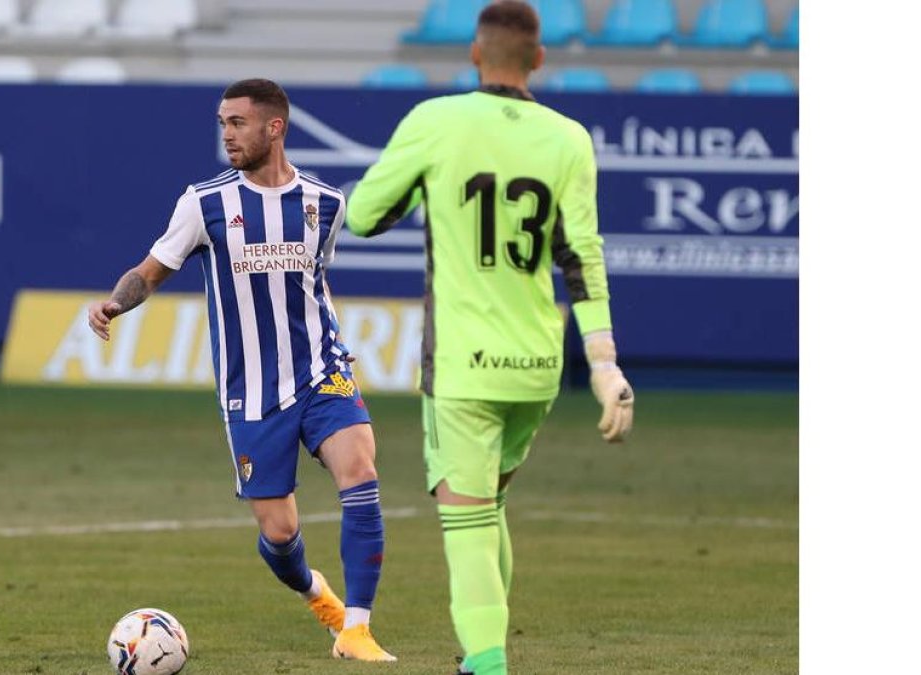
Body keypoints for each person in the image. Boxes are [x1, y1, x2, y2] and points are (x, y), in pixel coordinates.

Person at [345, 2, 634, 673]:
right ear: (538, 59)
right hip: (537, 364)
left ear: (474, 54)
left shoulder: (435, 122)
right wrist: (604, 363)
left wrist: (427, 186)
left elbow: (363, 216)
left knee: (467, 520)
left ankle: (488, 662)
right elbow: (581, 256)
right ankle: (483, 653)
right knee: (490, 502)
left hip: (463, 366)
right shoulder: (569, 138)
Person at [88, 78, 396, 662]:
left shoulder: (326, 203)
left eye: (237, 123)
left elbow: (314, 282)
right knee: (280, 535)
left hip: (323, 371)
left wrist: (334, 340)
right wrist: (114, 303)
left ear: (273, 128)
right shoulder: (203, 203)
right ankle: (317, 594)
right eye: (222, 123)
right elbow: (151, 271)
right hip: (251, 391)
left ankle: (356, 629)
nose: (226, 134)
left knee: (360, 471)